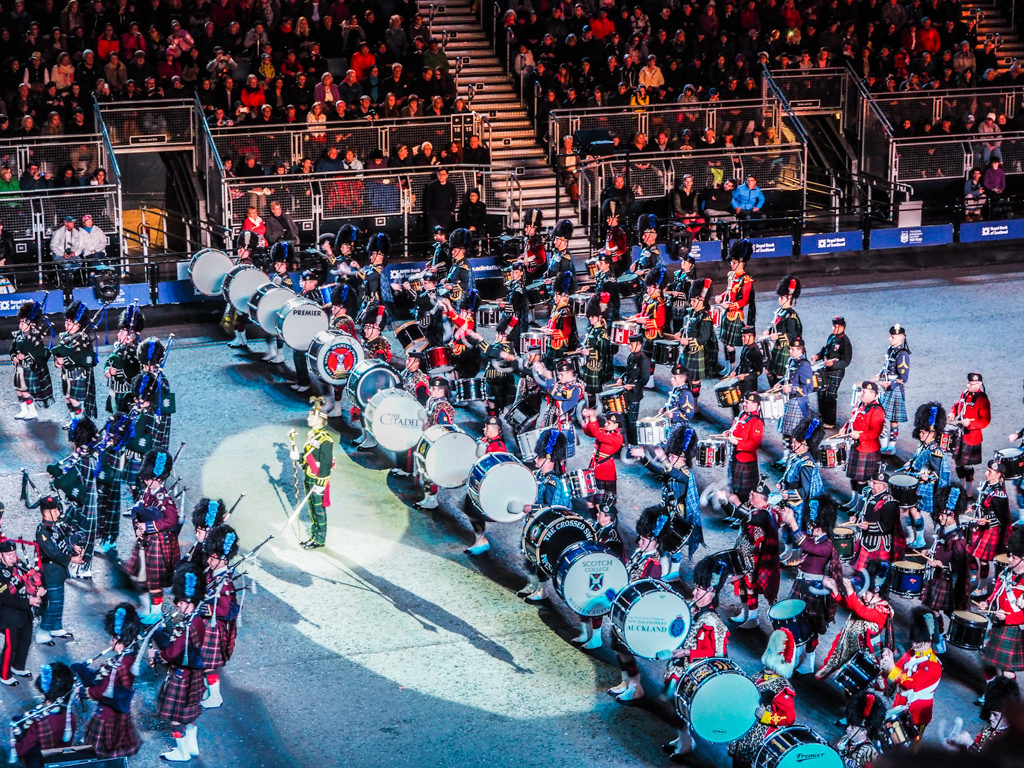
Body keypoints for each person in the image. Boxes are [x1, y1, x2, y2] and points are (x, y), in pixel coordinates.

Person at [662, 554, 732, 762]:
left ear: (711, 591)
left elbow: (718, 655)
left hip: (694, 672)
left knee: (677, 706)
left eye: (699, 588)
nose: (694, 591)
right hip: (679, 667)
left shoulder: (713, 621)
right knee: (671, 703)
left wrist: (687, 653)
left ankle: (686, 742)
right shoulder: (692, 607)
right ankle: (682, 738)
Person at [779, 494, 842, 674]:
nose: (810, 527)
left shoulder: (828, 545)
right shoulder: (813, 537)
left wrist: (792, 522)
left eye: (813, 526)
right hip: (801, 585)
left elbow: (805, 546)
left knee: (810, 628)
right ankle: (795, 658)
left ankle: (808, 661)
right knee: (794, 623)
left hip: (814, 590)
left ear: (821, 528)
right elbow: (804, 541)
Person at [151, 563, 208, 762]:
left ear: (190, 602)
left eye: (182, 603)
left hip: (182, 675)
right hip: (194, 674)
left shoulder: (188, 625)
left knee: (176, 719)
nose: (179, 606)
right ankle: (192, 745)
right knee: (188, 714)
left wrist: (157, 655)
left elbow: (174, 652)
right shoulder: (198, 619)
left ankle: (182, 752)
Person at [74, 603, 143, 759]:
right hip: (118, 711)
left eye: (113, 638)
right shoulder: (127, 656)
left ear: (119, 639)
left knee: (99, 754)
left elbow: (102, 691)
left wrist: (82, 691)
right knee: (112, 752)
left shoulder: (121, 664)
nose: (110, 641)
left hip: (108, 715)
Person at [121, 449, 180, 623]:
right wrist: (138, 527)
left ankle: (156, 612)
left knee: (154, 582)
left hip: (158, 544)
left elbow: (171, 519)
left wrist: (147, 526)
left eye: (148, 478)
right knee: (142, 578)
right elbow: (140, 511)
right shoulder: (149, 492)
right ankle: (146, 608)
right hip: (146, 541)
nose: (145, 481)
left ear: (158, 478)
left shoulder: (164, 499)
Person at [632, 426, 704, 566]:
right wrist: (643, 458)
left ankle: (673, 573)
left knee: (675, 545)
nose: (670, 458)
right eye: (669, 456)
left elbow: (672, 472)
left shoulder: (686, 474)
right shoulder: (673, 469)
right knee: (662, 542)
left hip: (679, 516)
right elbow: (659, 470)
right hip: (667, 511)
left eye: (672, 456)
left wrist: (664, 458)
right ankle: (662, 569)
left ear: (682, 458)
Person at [516, 430, 573, 603]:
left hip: (546, 528)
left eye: (540, 457)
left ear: (549, 459)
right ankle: (533, 584)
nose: (535, 460)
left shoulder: (554, 483)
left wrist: (529, 508)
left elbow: (554, 509)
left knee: (540, 560)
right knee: (529, 557)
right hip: (534, 525)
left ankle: (543, 590)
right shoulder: (540, 475)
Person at [727, 629, 797, 768]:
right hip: (744, 728)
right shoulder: (759, 676)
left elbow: (789, 718)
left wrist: (767, 717)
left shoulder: (783, 689)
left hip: (759, 737)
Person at [815, 564, 894, 681]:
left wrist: (851, 591)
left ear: (876, 593)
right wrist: (835, 590)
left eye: (866, 592)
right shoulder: (867, 599)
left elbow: (861, 611)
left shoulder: (883, 610)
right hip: (849, 640)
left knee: (872, 678)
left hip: (867, 649)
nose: (863, 594)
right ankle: (832, 664)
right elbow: (850, 605)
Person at [921, 485, 970, 651]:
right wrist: (930, 551)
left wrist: (941, 565)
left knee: (944, 611)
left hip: (946, 581)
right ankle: (937, 636)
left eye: (942, 514)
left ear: (952, 515)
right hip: (937, 576)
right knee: (931, 609)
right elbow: (940, 548)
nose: (939, 517)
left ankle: (940, 638)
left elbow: (960, 565)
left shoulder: (958, 539)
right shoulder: (944, 530)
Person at [880, 606, 943, 734]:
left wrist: (891, 668)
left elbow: (911, 683)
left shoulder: (934, 666)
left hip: (916, 713)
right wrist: (886, 666)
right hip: (900, 703)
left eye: (918, 641)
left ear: (928, 641)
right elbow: (897, 668)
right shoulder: (911, 653)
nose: (914, 644)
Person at [199, 524, 241, 709]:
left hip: (213, 628)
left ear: (223, 560)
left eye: (213, 557)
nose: (209, 560)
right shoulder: (213, 574)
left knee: (207, 664)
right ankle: (209, 691)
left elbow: (224, 610)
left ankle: (215, 695)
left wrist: (203, 609)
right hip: (206, 625)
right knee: (203, 663)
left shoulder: (224, 583)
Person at [977, 526, 1024, 685]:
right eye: (1010, 555)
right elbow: (997, 592)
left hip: (1011, 628)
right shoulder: (1006, 573)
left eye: (1014, 557)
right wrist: (988, 601)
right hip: (996, 622)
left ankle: (1007, 699)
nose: (1009, 559)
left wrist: (1008, 618)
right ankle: (991, 692)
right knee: (987, 660)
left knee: (1006, 671)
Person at [902, 402, 952, 549]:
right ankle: (919, 538)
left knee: (936, 517)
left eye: (923, 432)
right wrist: (910, 463)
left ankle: (936, 542)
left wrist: (926, 476)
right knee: (913, 509)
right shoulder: (923, 446)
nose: (920, 434)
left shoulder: (935, 451)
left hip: (928, 487)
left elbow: (937, 473)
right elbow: (918, 460)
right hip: (919, 483)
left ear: (933, 433)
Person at [730, 484, 781, 629]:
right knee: (741, 585)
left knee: (750, 586)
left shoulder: (767, 514)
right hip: (742, 554)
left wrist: (737, 503)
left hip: (755, 559)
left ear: (762, 498)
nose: (750, 497)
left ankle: (753, 616)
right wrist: (724, 502)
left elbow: (751, 518)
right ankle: (744, 612)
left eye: (753, 495)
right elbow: (737, 513)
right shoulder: (754, 509)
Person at [34, 495, 81, 644]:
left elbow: (62, 540)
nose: (59, 513)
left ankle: (55, 626)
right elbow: (53, 552)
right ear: (47, 512)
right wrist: (71, 559)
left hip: (59, 572)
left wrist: (73, 546)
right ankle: (43, 630)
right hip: (50, 572)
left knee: (59, 600)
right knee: (52, 603)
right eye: (55, 510)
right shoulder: (42, 531)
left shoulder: (55, 526)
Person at [460, 417, 507, 556]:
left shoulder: (499, 447)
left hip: (486, 487)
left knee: (474, 511)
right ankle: (479, 539)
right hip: (478, 484)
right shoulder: (486, 440)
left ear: (495, 429)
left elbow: (496, 470)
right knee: (470, 509)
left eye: (487, 427)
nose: (484, 429)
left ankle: (481, 541)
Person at [291, 398, 334, 549]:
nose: (308, 418)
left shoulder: (325, 440)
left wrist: (321, 484)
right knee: (311, 508)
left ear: (320, 420)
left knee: (318, 510)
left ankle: (320, 539)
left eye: (311, 416)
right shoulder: (312, 435)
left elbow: (326, 463)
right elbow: (310, 456)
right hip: (309, 475)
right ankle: (314, 536)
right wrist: (299, 457)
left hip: (318, 479)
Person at [11, 662, 75, 764]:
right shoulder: (70, 716)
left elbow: (23, 748)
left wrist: (16, 746)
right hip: (58, 755)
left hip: (40, 759)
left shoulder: (39, 722)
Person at [0, 539, 43, 684]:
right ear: (1, 556)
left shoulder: (18, 565)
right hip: (8, 615)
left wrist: (38, 588)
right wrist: (28, 601)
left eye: (14, 554)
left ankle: (18, 666)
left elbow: (31, 579)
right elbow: (6, 597)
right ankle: (4, 675)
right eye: (9, 555)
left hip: (24, 611)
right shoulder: (1, 573)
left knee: (25, 640)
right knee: (11, 645)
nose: (13, 558)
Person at [969, 460, 1012, 599]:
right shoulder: (988, 485)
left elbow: (1001, 519)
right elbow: (983, 503)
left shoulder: (1000, 495)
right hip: (982, 526)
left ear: (998, 474)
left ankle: (982, 587)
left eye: (990, 472)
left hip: (991, 529)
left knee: (983, 560)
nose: (986, 473)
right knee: (968, 550)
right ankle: (973, 573)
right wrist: (974, 507)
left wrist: (986, 522)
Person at [850, 470, 902, 587]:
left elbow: (886, 527)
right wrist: (856, 517)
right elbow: (864, 511)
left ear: (883, 485)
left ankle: (875, 591)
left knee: (877, 573)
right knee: (862, 568)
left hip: (878, 542)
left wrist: (869, 526)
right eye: (872, 482)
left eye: (875, 483)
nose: (872, 485)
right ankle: (861, 584)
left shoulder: (889, 502)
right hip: (866, 539)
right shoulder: (869, 493)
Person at [842, 381, 887, 510]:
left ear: (873, 394)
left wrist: (860, 436)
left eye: (864, 391)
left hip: (867, 449)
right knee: (854, 477)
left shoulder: (877, 410)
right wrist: (845, 428)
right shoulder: (860, 404)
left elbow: (875, 432)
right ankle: (854, 500)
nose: (861, 393)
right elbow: (853, 418)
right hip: (857, 446)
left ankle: (860, 506)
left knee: (861, 480)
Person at [945, 676, 1020, 752]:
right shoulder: (990, 728)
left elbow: (992, 761)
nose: (991, 717)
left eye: (995, 715)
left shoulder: (1011, 739)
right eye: (991, 713)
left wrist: (970, 743)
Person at [715, 239, 756, 371]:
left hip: (736, 314)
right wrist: (721, 297)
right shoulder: (731, 276)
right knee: (725, 342)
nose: (731, 264)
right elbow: (728, 291)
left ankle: (731, 367)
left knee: (729, 345)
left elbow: (744, 301)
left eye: (734, 262)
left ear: (741, 263)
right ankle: (727, 367)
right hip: (727, 312)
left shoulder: (746, 280)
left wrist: (729, 306)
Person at [416, 378, 457, 511]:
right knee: (426, 471)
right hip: (430, 440)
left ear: (441, 390)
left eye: (433, 388)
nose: (431, 390)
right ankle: (427, 497)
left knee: (431, 472)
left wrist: (428, 428)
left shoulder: (443, 407)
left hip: (438, 443)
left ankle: (432, 499)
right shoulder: (433, 401)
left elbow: (444, 428)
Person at [53, 300, 98, 420]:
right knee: (67, 397)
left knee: (73, 398)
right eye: (66, 323)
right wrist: (57, 361)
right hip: (65, 374)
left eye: (70, 323)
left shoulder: (84, 338)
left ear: (79, 325)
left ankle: (80, 419)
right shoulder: (64, 336)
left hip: (78, 375)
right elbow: (57, 352)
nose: (66, 326)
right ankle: (73, 420)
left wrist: (65, 360)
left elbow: (87, 359)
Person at [950, 372, 992, 498]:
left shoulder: (983, 399)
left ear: (979, 384)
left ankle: (969, 489)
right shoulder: (965, 393)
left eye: (973, 384)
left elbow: (985, 421)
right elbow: (958, 405)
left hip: (972, 436)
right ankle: (961, 484)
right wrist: (953, 413)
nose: (969, 385)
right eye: (969, 383)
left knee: (968, 465)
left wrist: (970, 424)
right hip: (960, 433)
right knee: (957, 461)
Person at [10, 300, 54, 421]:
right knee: (19, 391)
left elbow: (39, 352)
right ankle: (24, 410)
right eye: (20, 322)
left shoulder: (35, 337)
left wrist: (26, 356)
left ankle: (32, 411)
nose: (20, 325)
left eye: (23, 323)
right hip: (19, 368)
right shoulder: (18, 335)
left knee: (25, 391)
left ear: (32, 324)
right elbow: (12, 349)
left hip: (30, 368)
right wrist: (13, 356)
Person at [724, 391, 765, 514]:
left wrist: (737, 443)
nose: (744, 404)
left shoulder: (757, 422)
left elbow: (754, 445)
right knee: (734, 488)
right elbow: (736, 428)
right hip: (736, 458)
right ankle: (735, 514)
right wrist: (729, 433)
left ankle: (745, 516)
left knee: (745, 493)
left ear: (755, 405)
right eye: (744, 402)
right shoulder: (742, 414)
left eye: (747, 402)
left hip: (746, 461)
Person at [812, 316, 853, 428]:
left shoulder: (845, 341)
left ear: (842, 327)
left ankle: (830, 421)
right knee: (821, 391)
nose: (834, 329)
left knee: (830, 394)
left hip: (836, 372)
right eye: (834, 326)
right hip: (826, 369)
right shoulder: (831, 337)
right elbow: (825, 349)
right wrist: (818, 355)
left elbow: (846, 361)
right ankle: (823, 415)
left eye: (837, 326)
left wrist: (834, 364)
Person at [678, 278, 714, 404]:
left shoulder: (705, 317)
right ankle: (686, 401)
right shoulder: (692, 312)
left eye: (694, 300)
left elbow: (704, 337)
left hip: (697, 352)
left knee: (694, 381)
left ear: (701, 299)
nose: (691, 303)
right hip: (686, 352)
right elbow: (687, 327)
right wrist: (680, 333)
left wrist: (688, 342)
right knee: (684, 377)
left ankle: (695, 404)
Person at [876, 324, 911, 453]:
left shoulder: (903, 354)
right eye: (891, 336)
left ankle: (892, 444)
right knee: (881, 416)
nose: (890, 339)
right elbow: (886, 365)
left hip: (895, 389)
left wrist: (891, 384)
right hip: (886, 386)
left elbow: (904, 377)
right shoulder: (891, 349)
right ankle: (883, 443)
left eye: (893, 337)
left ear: (901, 337)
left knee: (894, 420)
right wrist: (879, 375)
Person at [104, 305, 144, 414]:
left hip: (126, 392)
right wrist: (107, 369)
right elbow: (109, 362)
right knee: (114, 414)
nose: (118, 334)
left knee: (124, 417)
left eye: (122, 332)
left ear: (130, 337)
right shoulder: (118, 347)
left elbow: (134, 373)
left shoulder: (136, 352)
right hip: (114, 389)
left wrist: (117, 371)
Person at [764, 275, 802, 388]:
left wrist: (778, 336)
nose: (779, 299)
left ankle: (779, 395)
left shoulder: (791, 316)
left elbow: (793, 335)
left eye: (781, 297)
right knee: (768, 371)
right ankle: (773, 389)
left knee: (780, 375)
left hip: (784, 348)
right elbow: (778, 326)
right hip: (776, 347)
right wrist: (769, 331)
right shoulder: (781, 311)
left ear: (788, 297)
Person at [577, 298, 614, 409]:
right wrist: (581, 348)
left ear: (599, 317)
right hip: (589, 364)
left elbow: (604, 352)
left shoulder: (603, 333)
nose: (590, 318)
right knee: (587, 389)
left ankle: (592, 411)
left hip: (596, 367)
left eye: (592, 316)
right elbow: (588, 343)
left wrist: (590, 352)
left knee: (590, 392)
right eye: (589, 316)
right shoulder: (592, 329)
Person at [778, 336, 814, 448]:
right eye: (790, 348)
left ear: (800, 350)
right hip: (788, 400)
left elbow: (809, 388)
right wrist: (780, 383)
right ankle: (785, 456)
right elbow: (788, 377)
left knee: (795, 433)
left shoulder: (804, 365)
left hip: (797, 402)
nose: (790, 351)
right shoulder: (791, 360)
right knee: (786, 431)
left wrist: (791, 389)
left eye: (793, 349)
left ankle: (792, 455)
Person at [581, 410, 623, 503]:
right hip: (595, 466)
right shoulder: (605, 432)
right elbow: (590, 432)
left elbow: (598, 435)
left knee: (601, 503)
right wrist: (587, 419)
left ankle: (602, 516)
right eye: (606, 422)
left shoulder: (617, 437)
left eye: (609, 423)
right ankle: (595, 516)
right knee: (590, 501)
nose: (606, 424)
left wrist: (593, 417)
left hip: (604, 471)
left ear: (617, 425)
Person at [837, 691, 887, 767]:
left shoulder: (869, 752)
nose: (848, 728)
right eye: (849, 725)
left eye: (853, 727)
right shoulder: (845, 739)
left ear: (863, 732)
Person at [618, 332, 651, 445]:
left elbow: (644, 379)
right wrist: (621, 379)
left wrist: (632, 387)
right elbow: (628, 372)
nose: (629, 347)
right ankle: (626, 441)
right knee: (624, 418)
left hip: (634, 395)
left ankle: (633, 444)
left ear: (639, 345)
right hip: (625, 392)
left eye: (632, 345)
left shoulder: (643, 360)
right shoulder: (631, 356)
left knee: (631, 421)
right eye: (629, 344)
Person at [49, 215, 84, 288]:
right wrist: (62, 254)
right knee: (68, 265)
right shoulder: (58, 232)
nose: (73, 224)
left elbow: (80, 245)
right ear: (66, 223)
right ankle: (66, 281)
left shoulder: (76, 232)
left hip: (71, 254)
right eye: (71, 222)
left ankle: (69, 279)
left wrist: (75, 252)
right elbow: (53, 246)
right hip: (59, 254)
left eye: (73, 222)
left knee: (79, 262)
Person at [422, 167, 457, 233]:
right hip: (433, 212)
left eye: (443, 174)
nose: (441, 176)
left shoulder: (451, 186)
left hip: (446, 212)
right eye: (439, 174)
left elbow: (454, 198)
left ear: (447, 175)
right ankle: (432, 243)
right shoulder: (431, 185)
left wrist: (452, 210)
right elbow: (427, 199)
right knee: (433, 232)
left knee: (444, 232)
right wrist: (428, 211)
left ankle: (443, 243)